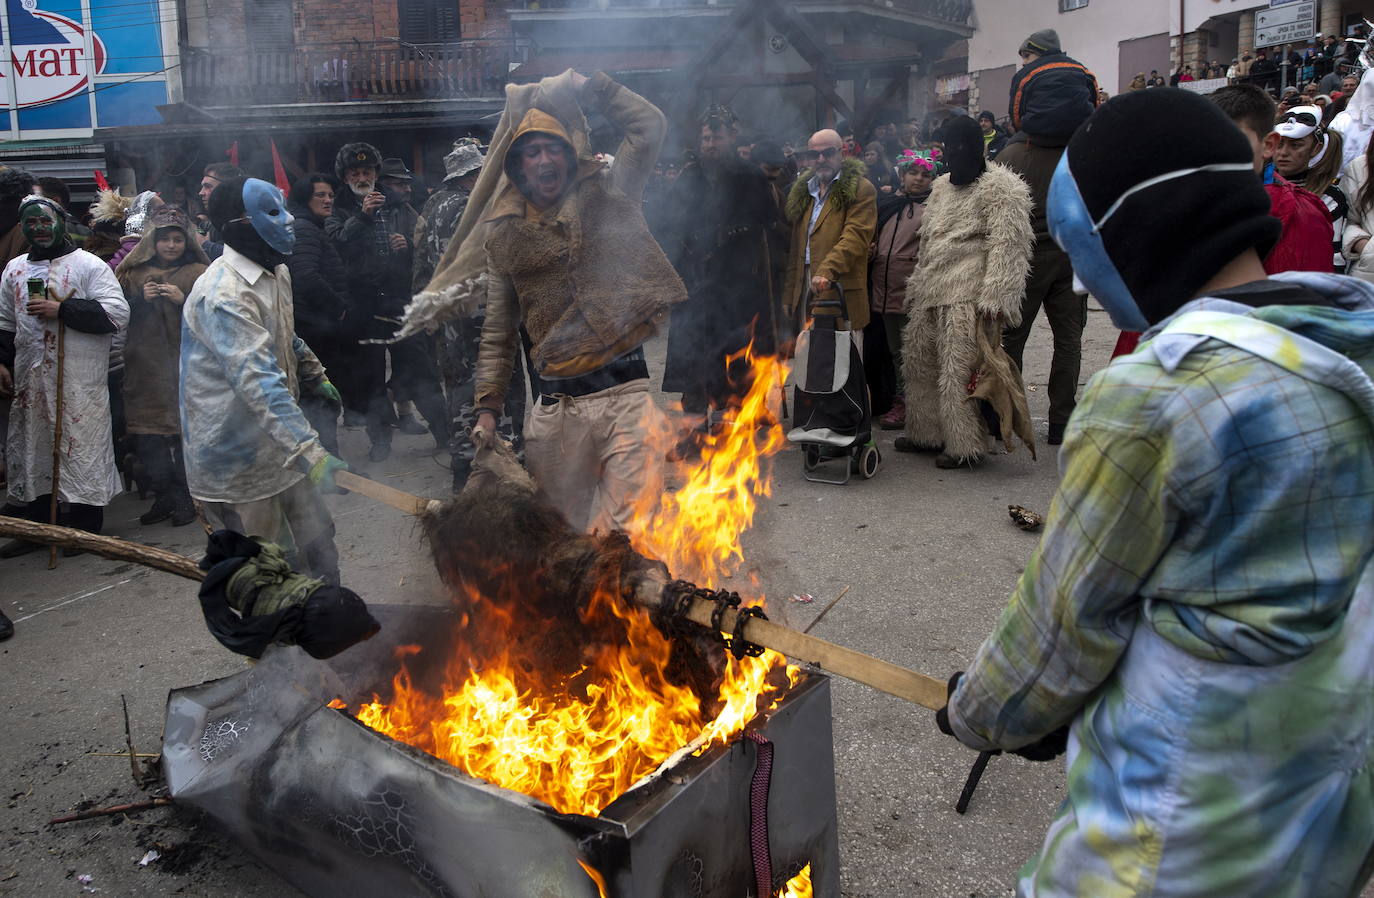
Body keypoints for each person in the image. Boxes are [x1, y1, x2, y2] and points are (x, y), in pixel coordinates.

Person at [939, 85, 1374, 898]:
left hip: (1176, 833)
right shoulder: (1348, 349)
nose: (1086, 288)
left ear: (1130, 236)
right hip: (1321, 822)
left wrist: (980, 714)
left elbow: (1063, 628)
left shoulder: (1158, 394)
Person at [468, 70, 687, 534]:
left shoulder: (610, 193)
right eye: (531, 152)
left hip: (625, 398)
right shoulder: (504, 236)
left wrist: (594, 87)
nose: (543, 159)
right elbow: (497, 333)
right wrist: (487, 409)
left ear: (569, 156)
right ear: (517, 167)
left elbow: (649, 128)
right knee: (561, 542)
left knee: (623, 543)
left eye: (552, 148)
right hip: (556, 413)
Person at [181, 176, 347, 585]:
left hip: (282, 449)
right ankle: (272, 650)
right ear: (239, 224)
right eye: (273, 212)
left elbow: (283, 333)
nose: (289, 220)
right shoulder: (223, 295)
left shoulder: (277, 272)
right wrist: (312, 452)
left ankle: (327, 641)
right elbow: (257, 380)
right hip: (239, 465)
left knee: (320, 551)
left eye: (285, 208)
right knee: (267, 574)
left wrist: (314, 373)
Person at [898, 117, 1035, 469]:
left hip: (968, 293)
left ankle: (964, 445)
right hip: (931, 287)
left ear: (980, 148)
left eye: (962, 148)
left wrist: (998, 297)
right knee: (919, 362)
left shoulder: (1003, 188)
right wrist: (916, 284)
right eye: (949, 147)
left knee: (958, 371)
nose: (955, 155)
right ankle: (925, 432)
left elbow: (1009, 244)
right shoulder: (941, 186)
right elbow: (929, 239)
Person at [0, 196, 129, 557]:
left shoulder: (88, 265)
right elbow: (5, 325)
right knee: (33, 450)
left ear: (59, 222)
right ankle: (37, 528)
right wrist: (2, 362)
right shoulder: (14, 270)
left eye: (45, 221)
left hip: (77, 379)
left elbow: (116, 315)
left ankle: (85, 529)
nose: (39, 228)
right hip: (31, 380)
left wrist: (64, 309)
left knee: (81, 448)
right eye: (31, 223)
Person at [659, 105, 778, 458]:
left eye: (717, 137)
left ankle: (732, 433)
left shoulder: (751, 177)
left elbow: (766, 225)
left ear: (732, 136)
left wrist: (730, 236)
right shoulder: (689, 176)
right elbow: (670, 223)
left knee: (736, 363)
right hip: (694, 290)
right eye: (706, 137)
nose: (710, 144)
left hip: (736, 290)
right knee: (693, 364)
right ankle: (692, 436)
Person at [413, 139, 525, 492]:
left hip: (447, 322)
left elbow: (420, 267)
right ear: (473, 175)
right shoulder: (468, 209)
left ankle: (464, 469)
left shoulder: (432, 207)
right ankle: (499, 472)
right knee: (492, 393)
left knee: (459, 392)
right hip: (478, 319)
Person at [998, 67, 1097, 445]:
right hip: (1073, 256)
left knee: (1012, 341)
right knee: (1069, 341)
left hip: (1027, 259)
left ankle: (1008, 416)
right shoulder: (1085, 149)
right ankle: (1061, 421)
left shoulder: (1011, 154)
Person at [114, 206, 208, 526]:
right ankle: (163, 495)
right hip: (146, 369)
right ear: (152, 242)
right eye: (164, 239)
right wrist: (140, 299)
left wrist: (186, 301)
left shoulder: (198, 273)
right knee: (148, 436)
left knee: (183, 436)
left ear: (187, 243)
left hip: (186, 368)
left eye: (177, 240)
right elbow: (115, 314)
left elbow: (213, 317)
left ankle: (186, 497)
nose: (170, 245)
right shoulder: (132, 274)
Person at [781, 128, 878, 341]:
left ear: (842, 153)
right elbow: (797, 249)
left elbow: (855, 237)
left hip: (838, 289)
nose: (821, 159)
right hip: (805, 287)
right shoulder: (803, 191)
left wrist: (827, 270)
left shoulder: (861, 189)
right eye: (815, 154)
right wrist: (790, 295)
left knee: (843, 365)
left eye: (829, 152)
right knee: (810, 360)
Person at [868, 150, 935, 429]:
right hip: (882, 292)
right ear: (902, 175)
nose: (918, 179)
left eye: (925, 175)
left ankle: (912, 403)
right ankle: (895, 399)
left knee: (913, 351)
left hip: (911, 292)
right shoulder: (887, 204)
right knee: (892, 350)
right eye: (913, 173)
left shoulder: (931, 210)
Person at [285, 173, 351, 457]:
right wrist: (339, 306)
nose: (328, 200)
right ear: (303, 199)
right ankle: (328, 464)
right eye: (320, 195)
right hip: (314, 328)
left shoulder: (312, 226)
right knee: (319, 397)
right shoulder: (304, 228)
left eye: (330, 195)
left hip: (318, 325)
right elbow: (306, 276)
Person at [1269, 105, 1347, 274]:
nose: (1283, 153)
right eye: (1279, 144)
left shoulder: (1329, 197)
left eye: (1296, 145)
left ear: (1316, 148)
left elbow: (1333, 256)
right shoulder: (1261, 186)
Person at [1007, 29, 1099, 145]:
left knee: (1006, 154)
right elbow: (1095, 101)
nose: (1024, 62)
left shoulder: (1025, 74)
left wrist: (1020, 131)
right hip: (1077, 135)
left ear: (1041, 51)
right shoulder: (1082, 69)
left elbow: (1016, 111)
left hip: (1038, 137)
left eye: (1027, 56)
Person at [196, 163, 241, 260]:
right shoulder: (210, 223)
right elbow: (199, 232)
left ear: (227, 188)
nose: (201, 193)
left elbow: (241, 257)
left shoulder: (243, 219)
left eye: (208, 186)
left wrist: (205, 244)